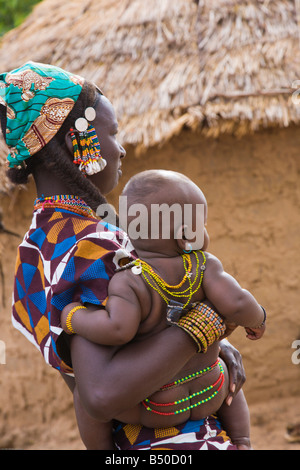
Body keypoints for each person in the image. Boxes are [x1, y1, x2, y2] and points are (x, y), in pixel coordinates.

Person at [0, 61, 246, 450]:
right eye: (112, 134)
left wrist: (218, 346)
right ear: (76, 141)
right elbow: (101, 393)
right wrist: (209, 322)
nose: (122, 148)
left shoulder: (37, 247)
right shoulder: (89, 247)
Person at [61, 169, 266, 450]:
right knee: (225, 367)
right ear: (185, 236)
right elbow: (238, 302)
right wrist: (259, 319)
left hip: (160, 404)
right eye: (203, 225)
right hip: (211, 389)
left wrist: (74, 317)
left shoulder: (130, 281)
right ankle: (242, 440)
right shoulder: (205, 266)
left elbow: (117, 330)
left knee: (85, 395)